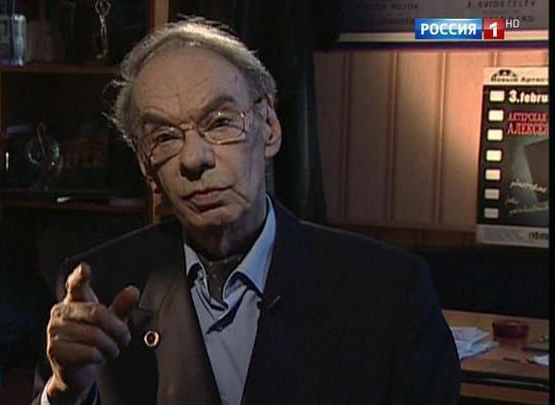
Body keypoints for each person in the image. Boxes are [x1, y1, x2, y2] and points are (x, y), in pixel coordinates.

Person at [32, 18, 460, 405]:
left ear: (269, 129)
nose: (194, 158)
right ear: (147, 167)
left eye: (220, 123)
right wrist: (65, 392)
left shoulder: (388, 292)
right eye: (164, 137)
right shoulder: (97, 291)